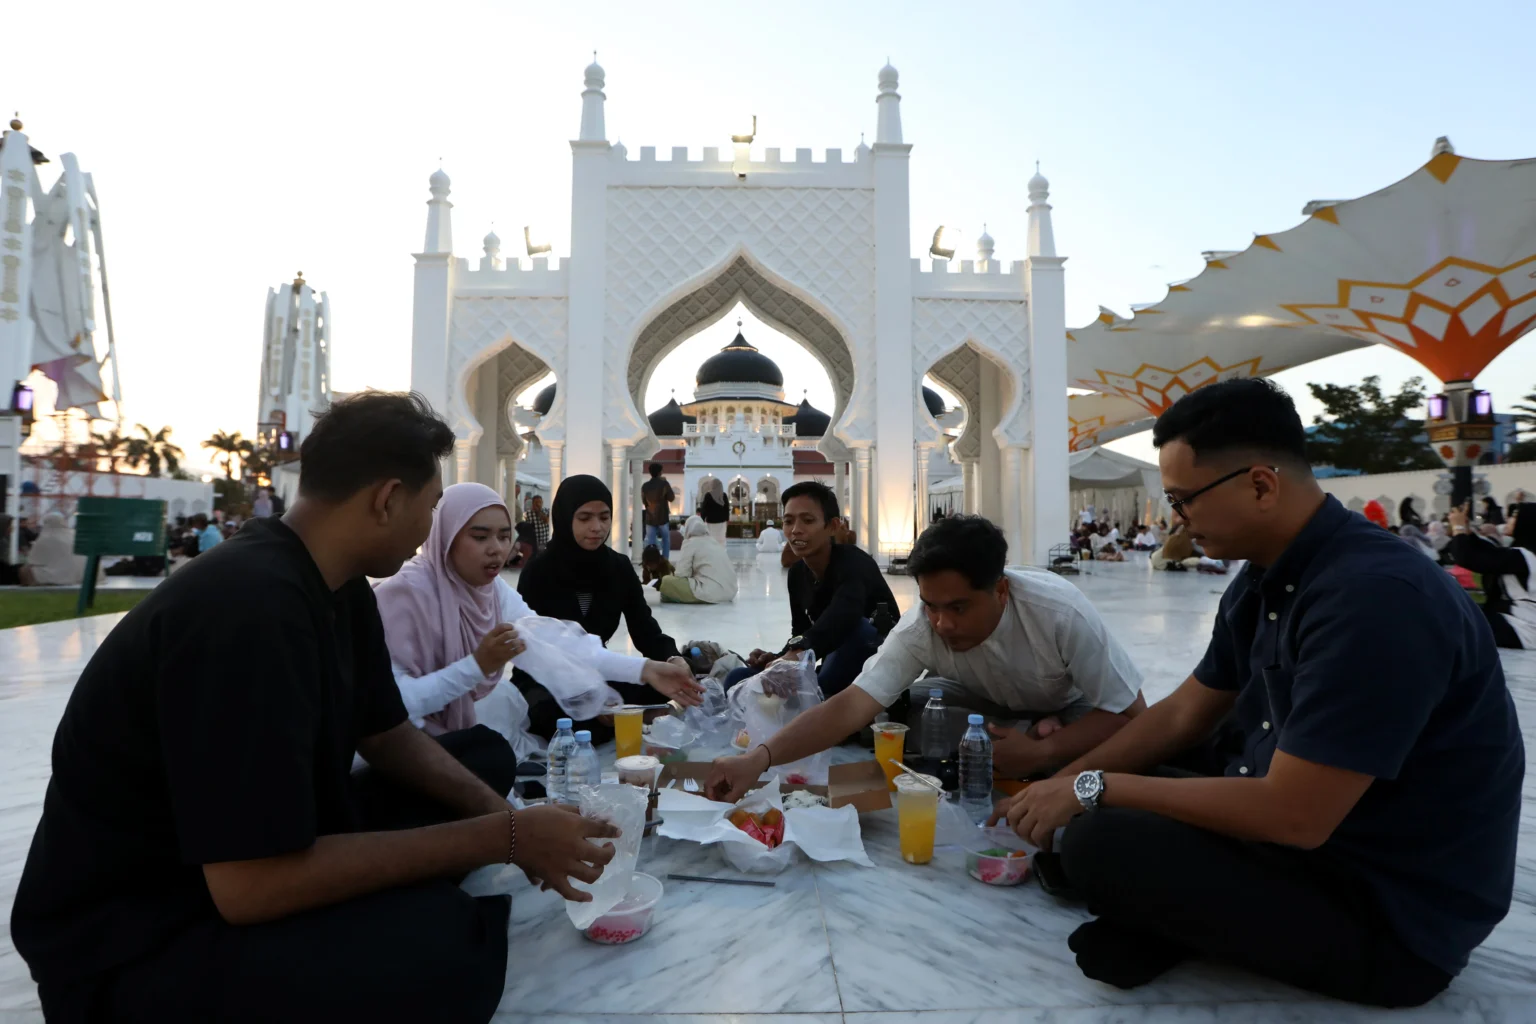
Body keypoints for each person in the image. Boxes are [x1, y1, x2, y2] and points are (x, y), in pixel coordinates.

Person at [10, 391, 624, 1023]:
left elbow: (386, 735)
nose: (430, 525)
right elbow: (249, 886)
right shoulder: (250, 610)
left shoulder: (337, 584)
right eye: (431, 504)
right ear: (388, 499)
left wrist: (509, 822)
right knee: (442, 944)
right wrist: (506, 836)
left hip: (265, 846)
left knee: (481, 758)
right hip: (144, 937)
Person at [992, 377, 1523, 1008]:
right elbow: (1186, 712)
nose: (1176, 523)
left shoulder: (1375, 599)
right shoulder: (1269, 576)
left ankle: (1175, 920)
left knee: (1098, 839)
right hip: (1311, 847)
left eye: (1183, 503)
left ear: (1261, 484)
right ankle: (1178, 919)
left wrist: (1090, 789)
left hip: (1387, 913)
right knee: (1142, 777)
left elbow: (1295, 816)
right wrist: (1059, 785)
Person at [707, 514, 1147, 800]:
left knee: (1120, 739)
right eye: (931, 606)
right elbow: (850, 705)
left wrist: (1041, 753)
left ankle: (1037, 742)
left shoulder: (1058, 614)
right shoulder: (923, 624)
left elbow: (1133, 715)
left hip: (1068, 704)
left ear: (1000, 590)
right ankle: (1021, 737)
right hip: (984, 703)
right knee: (901, 715)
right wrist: (757, 760)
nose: (942, 624)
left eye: (958, 608)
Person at [514, 474, 703, 739]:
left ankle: (624, 718)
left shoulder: (618, 568)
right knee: (549, 716)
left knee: (673, 681)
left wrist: (673, 658)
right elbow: (534, 652)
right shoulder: (539, 572)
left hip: (599, 671)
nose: (597, 527)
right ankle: (635, 716)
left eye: (604, 517)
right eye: (585, 518)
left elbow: (645, 629)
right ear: (565, 517)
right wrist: (589, 696)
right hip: (547, 680)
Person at [725, 481, 897, 698]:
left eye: (808, 520)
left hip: (872, 670)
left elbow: (845, 615)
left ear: (832, 526)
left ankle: (818, 707)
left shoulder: (854, 563)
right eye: (788, 521)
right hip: (833, 665)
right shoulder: (797, 574)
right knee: (737, 679)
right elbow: (801, 632)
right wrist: (777, 657)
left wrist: (795, 654)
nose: (796, 530)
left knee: (859, 630)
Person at [1447, 500, 1536, 649]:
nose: (1508, 519)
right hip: (1516, 624)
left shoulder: (1525, 557)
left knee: (1449, 619)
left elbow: (1469, 558)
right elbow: (1488, 552)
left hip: (1523, 629)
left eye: (1514, 516)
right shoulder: (1524, 555)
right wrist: (1467, 531)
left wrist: (1459, 527)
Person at [659, 516, 738, 604]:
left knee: (666, 581)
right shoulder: (714, 542)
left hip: (711, 593)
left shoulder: (690, 542)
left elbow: (681, 574)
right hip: (730, 592)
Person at [16, 512, 90, 586]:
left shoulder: (46, 538)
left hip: (60, 576)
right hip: (85, 574)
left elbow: (32, 561)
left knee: (24, 570)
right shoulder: (74, 535)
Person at [640, 463, 675, 559]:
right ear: (660, 472)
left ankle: (652, 561)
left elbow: (644, 501)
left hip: (650, 518)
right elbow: (671, 498)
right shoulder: (664, 484)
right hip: (662, 517)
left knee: (651, 543)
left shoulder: (645, 486)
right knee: (666, 541)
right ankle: (665, 561)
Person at [699, 478, 729, 545]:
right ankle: (721, 553)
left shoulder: (708, 495)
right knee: (721, 540)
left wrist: (702, 519)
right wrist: (727, 519)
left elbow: (704, 509)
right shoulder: (724, 495)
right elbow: (726, 509)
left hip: (711, 522)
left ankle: (712, 553)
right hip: (722, 522)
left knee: (711, 540)